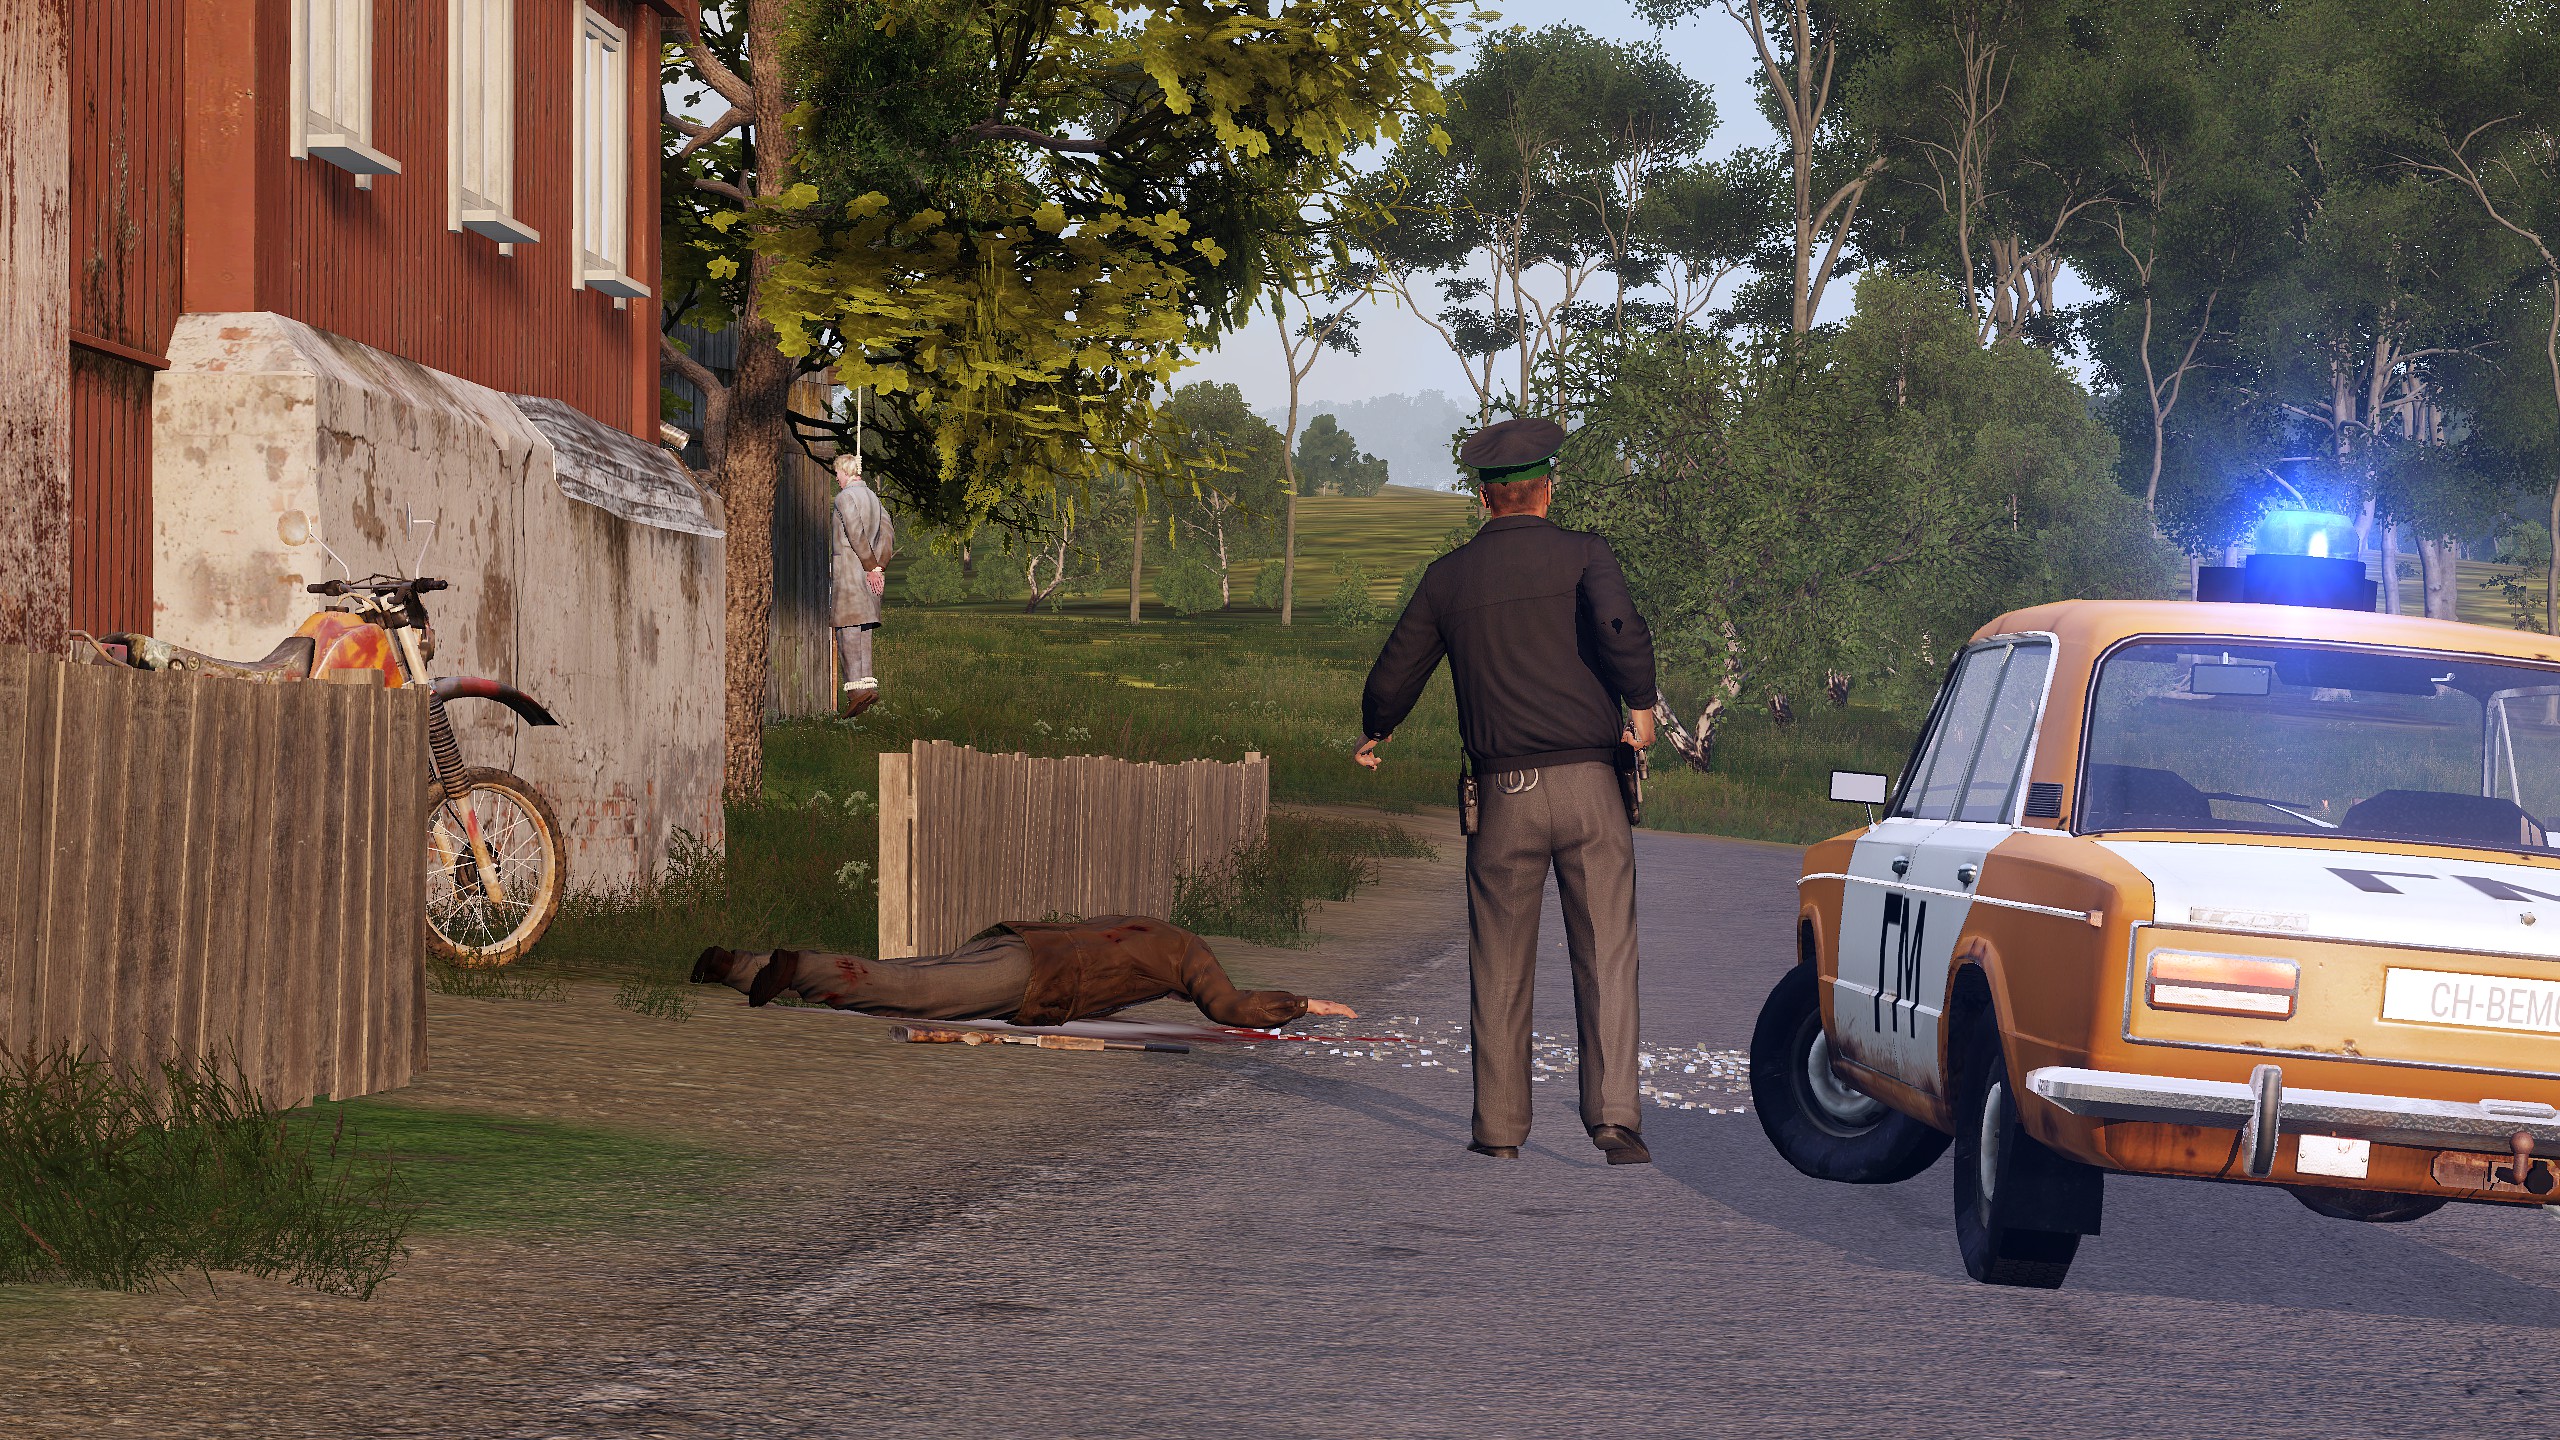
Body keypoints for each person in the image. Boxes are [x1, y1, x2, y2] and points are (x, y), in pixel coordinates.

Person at [1356, 417, 1659, 1166]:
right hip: (1591, 783)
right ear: (1546, 490)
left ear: (1483, 498)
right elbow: (1618, 627)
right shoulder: (1588, 555)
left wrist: (1377, 728)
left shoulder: (1448, 577)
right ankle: (1615, 1120)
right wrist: (1642, 707)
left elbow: (1398, 669)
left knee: (1497, 960)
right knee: (1608, 954)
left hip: (1504, 795)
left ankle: (1497, 1130)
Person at [691, 915, 1358, 1029]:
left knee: (902, 976)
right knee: (910, 994)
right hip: (1035, 979)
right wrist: (1302, 1005)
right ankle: (797, 967)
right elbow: (1229, 1008)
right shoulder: (1190, 956)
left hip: (1018, 948)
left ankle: (739, 969)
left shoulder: (1155, 930)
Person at [831, 451, 895, 718]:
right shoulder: (874, 498)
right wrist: (880, 566)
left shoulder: (845, 498)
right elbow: (888, 532)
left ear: (846, 471)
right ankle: (867, 685)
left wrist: (870, 567)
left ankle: (856, 693)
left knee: (847, 631)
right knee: (864, 630)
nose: (836, 478)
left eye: (837, 473)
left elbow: (855, 532)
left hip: (850, 575)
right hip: (870, 579)